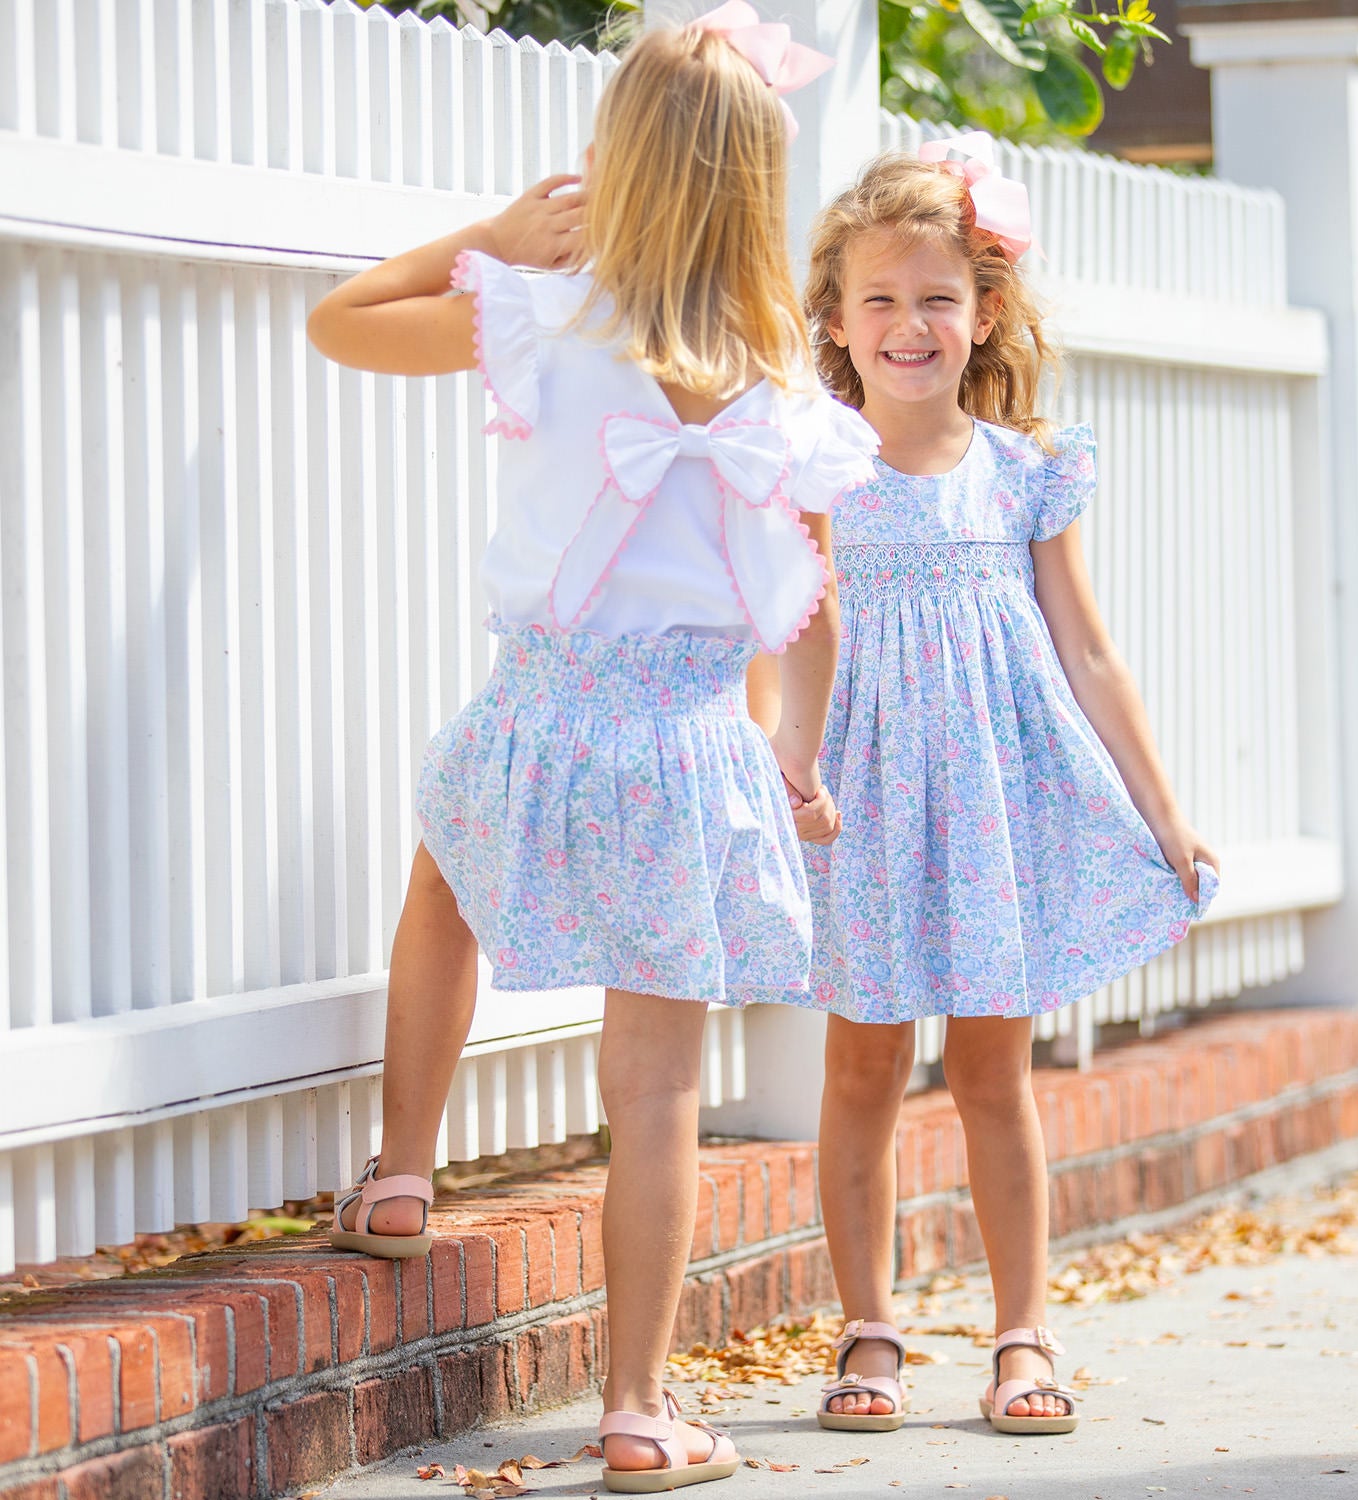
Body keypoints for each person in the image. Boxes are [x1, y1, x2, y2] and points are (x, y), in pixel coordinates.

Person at [305, 6, 875, 1489]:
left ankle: (405, 1169)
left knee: (447, 883)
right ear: (761, 190)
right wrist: (791, 753)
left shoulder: (544, 316)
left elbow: (341, 320)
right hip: (686, 737)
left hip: (538, 705)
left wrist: (487, 235)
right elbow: (798, 599)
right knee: (659, 1084)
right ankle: (634, 1405)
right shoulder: (785, 386)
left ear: (613, 166)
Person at [756, 144, 1219, 1439]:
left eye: (937, 297)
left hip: (993, 810)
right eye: (881, 301)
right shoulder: (818, 470)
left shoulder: (1025, 471)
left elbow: (1086, 648)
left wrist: (1164, 813)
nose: (911, 326)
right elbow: (783, 636)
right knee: (857, 1073)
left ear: (986, 311)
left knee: (991, 1073)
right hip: (863, 804)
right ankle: (871, 1327)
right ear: (838, 323)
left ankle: (1022, 1333)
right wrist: (781, 775)